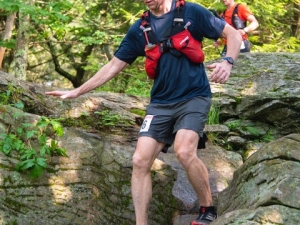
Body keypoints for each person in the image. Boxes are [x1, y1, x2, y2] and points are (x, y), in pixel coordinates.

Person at [45, 0, 242, 224]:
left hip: (194, 96)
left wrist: (228, 62)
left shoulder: (191, 12)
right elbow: (113, 66)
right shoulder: (140, 29)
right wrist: (77, 91)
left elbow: (233, 35)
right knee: (140, 160)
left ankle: (207, 209)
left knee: (184, 151)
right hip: (160, 103)